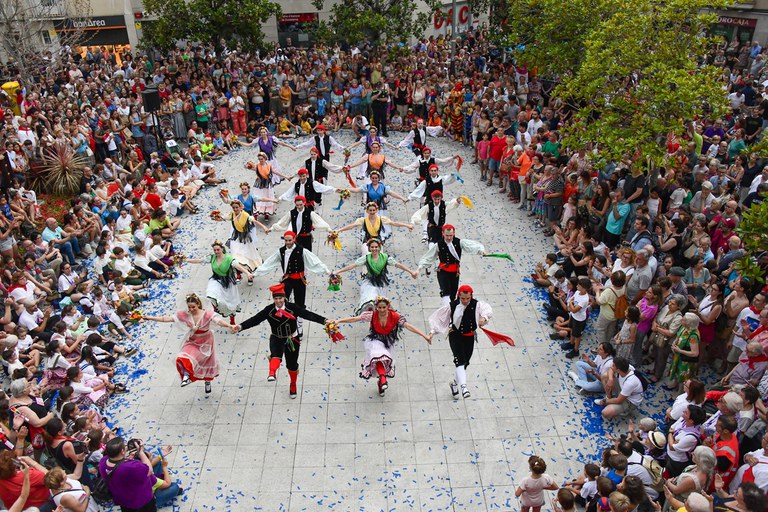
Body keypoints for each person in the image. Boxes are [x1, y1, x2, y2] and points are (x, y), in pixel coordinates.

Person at [234, 283, 330, 398]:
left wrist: (324, 321)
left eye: (280, 298)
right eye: (276, 298)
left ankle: (293, 384)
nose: (278, 301)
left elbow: (308, 315)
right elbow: (255, 319)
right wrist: (240, 326)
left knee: (292, 365)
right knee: (276, 356)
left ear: (284, 298)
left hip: (292, 339)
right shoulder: (269, 310)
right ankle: (271, 373)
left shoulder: (292, 308)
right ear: (273, 299)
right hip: (277, 337)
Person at [334, 296, 432, 396]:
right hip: (375, 339)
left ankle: (381, 383)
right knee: (378, 356)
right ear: (376, 307)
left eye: (384, 307)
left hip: (388, 341)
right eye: (379, 308)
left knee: (385, 362)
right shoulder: (372, 315)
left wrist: (424, 336)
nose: (382, 310)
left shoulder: (395, 316)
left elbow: (408, 326)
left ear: (388, 306)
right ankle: (383, 378)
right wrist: (338, 321)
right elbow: (355, 319)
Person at [142, 294, 236, 393]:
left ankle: (207, 381)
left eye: (193, 307)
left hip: (206, 341)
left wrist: (229, 325)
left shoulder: (207, 314)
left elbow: (219, 321)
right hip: (192, 340)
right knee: (183, 357)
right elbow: (166, 319)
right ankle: (186, 376)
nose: (191, 309)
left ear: (199, 304)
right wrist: (149, 318)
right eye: (189, 307)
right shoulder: (185, 315)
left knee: (207, 362)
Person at [250, 231, 330, 337]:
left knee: (300, 304)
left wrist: (328, 272)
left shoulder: (302, 251)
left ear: (294, 239)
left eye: (290, 240)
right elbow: (269, 263)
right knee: (283, 302)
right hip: (287, 279)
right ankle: (287, 325)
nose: (288, 242)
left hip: (300, 280)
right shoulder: (281, 251)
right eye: (286, 240)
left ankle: (299, 326)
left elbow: (315, 262)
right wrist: (255, 274)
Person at [428, 284, 493, 399]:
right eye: (463, 298)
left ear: (471, 296)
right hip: (456, 335)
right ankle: (464, 387)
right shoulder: (452, 306)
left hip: (469, 337)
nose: (465, 301)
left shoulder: (476, 304)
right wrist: (432, 332)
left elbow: (486, 310)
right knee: (459, 360)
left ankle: (454, 384)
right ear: (459, 296)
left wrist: (484, 318)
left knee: (465, 363)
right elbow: (440, 319)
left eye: (468, 298)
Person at [333, 238, 419, 314]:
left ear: (379, 248)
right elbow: (353, 265)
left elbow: (397, 264)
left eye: (376, 247)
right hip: (370, 280)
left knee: (381, 299)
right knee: (371, 293)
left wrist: (411, 271)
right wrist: (339, 271)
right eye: (372, 247)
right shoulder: (366, 258)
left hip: (381, 282)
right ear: (369, 248)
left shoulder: (385, 257)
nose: (374, 249)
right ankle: (368, 306)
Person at [418, 225, 486, 304]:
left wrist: (481, 250)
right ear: (443, 233)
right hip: (443, 271)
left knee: (453, 294)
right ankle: (446, 309)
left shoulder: (459, 242)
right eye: (447, 235)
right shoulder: (438, 245)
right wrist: (419, 268)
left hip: (455, 273)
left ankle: (450, 310)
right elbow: (428, 257)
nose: (449, 237)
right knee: (445, 292)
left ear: (454, 233)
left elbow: (472, 246)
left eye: (451, 235)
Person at [191, 241, 253, 323]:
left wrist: (248, 273)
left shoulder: (228, 258)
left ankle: (232, 319)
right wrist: (186, 260)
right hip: (216, 279)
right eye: (214, 250)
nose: (216, 252)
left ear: (222, 249)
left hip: (228, 282)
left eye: (218, 250)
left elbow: (238, 266)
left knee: (231, 302)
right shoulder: (212, 257)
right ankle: (214, 308)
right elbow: (199, 260)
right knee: (211, 292)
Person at [345, 170, 410, 241]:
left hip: (380, 207)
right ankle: (368, 234)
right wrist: (346, 189)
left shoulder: (383, 187)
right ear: (370, 178)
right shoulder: (367, 187)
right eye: (373, 178)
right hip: (370, 207)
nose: (374, 179)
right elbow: (357, 190)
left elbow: (392, 193)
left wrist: (402, 198)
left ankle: (381, 236)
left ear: (379, 178)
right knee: (368, 221)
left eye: (376, 178)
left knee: (381, 221)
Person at [99, 437, 158, 512]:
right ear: (122, 451)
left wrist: (125, 454)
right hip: (141, 501)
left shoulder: (103, 462)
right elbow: (149, 470)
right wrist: (141, 452)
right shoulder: (130, 467)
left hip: (123, 501)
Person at [334, 201, 414, 254]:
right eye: (370, 210)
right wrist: (339, 230)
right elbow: (351, 226)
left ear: (376, 210)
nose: (372, 212)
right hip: (367, 240)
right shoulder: (363, 220)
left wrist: (407, 225)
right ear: (367, 211)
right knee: (366, 255)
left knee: (379, 255)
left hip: (377, 240)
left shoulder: (381, 219)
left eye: (373, 210)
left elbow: (394, 223)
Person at [222, 199, 269, 278]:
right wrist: (217, 215)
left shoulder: (245, 215)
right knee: (235, 256)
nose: (235, 209)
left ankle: (249, 275)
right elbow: (224, 217)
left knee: (248, 256)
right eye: (233, 208)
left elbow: (255, 221)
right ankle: (238, 273)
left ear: (240, 207)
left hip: (245, 238)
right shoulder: (232, 214)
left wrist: (264, 227)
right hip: (236, 237)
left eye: (237, 207)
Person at [247, 152, 293, 220]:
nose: (260, 160)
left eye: (262, 159)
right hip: (259, 184)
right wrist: (248, 166)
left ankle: (266, 214)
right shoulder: (257, 166)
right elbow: (250, 168)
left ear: (265, 159)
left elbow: (276, 172)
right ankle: (256, 214)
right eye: (259, 159)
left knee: (267, 197)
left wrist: (286, 177)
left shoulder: (269, 166)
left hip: (268, 184)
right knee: (258, 197)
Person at [667, 312, 701, 392]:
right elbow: (679, 336)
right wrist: (675, 342)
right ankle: (674, 384)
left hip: (685, 360)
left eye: (684, 319)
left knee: (682, 376)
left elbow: (695, 353)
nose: (682, 319)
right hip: (677, 356)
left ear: (689, 323)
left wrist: (680, 350)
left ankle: (679, 392)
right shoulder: (684, 327)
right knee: (676, 371)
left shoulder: (693, 336)